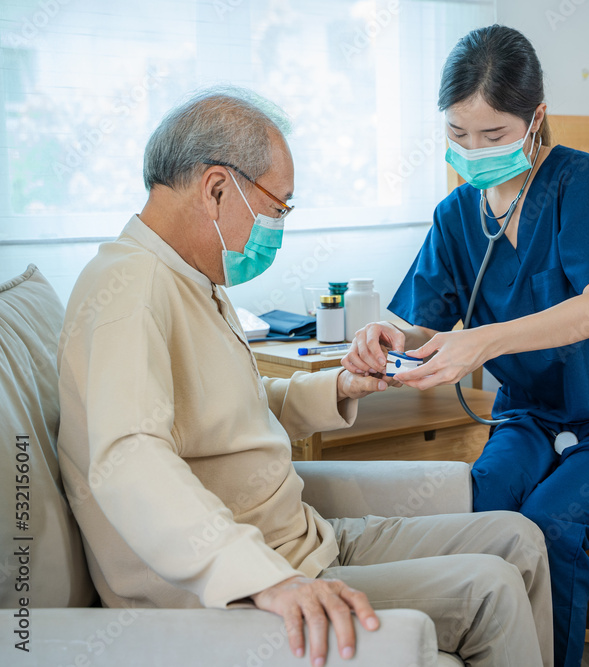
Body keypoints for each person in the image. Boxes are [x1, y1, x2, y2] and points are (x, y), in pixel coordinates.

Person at [56, 88, 553, 667]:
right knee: (489, 589)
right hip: (244, 584)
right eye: (277, 207)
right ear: (217, 189)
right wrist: (267, 580)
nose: (277, 227)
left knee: (520, 539)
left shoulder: (190, 278)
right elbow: (129, 460)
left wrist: (339, 386)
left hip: (303, 540)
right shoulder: (130, 290)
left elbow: (229, 408)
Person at [342, 25, 589, 667]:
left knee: (549, 525)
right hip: (531, 415)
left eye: (494, 135)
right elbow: (418, 319)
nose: (474, 151)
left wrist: (479, 342)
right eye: (458, 135)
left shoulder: (581, 183)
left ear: (536, 118)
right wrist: (386, 336)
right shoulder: (457, 216)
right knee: (480, 510)